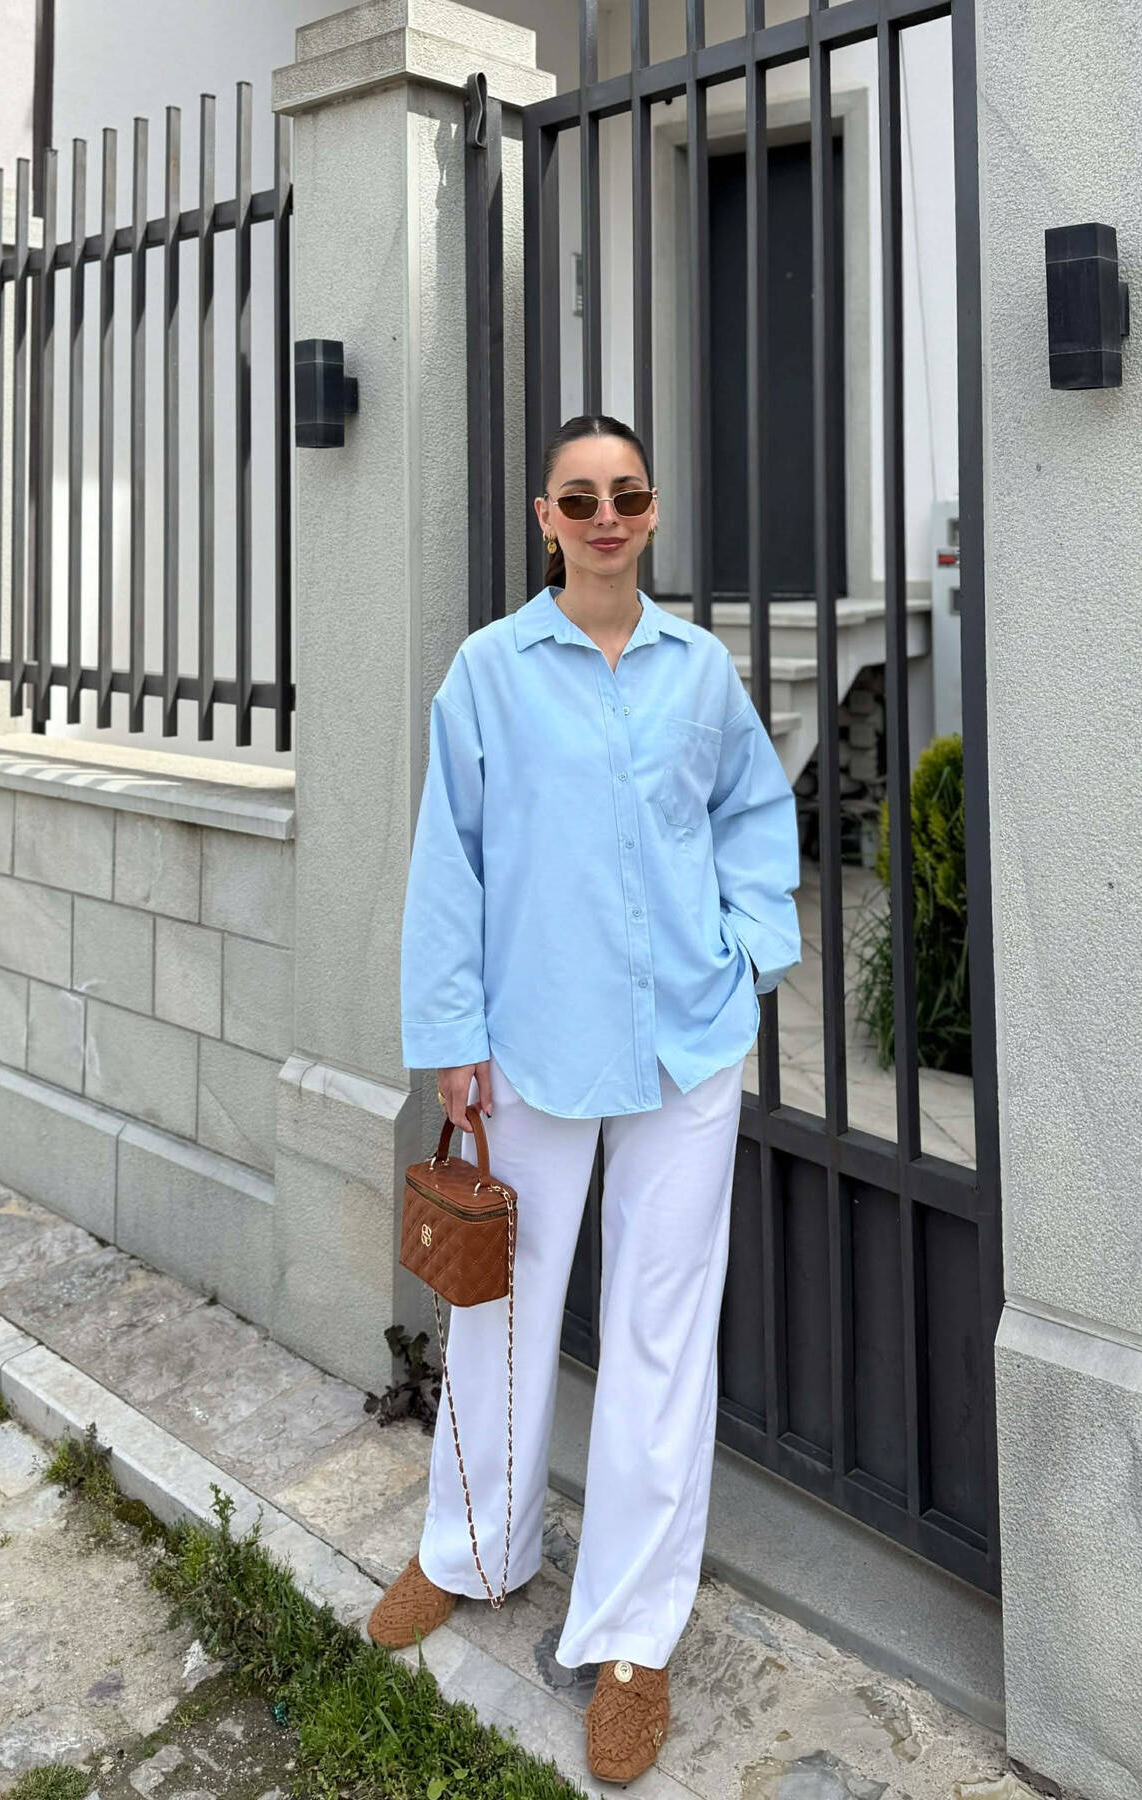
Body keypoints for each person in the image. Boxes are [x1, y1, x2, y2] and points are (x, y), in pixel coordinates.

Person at [367, 413, 802, 1784]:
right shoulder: (488, 675)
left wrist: (752, 947)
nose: (606, 515)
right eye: (580, 497)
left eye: (627, 493)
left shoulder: (699, 671)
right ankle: (470, 1552)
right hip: (532, 1044)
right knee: (503, 1305)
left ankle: (629, 1635)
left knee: (661, 1329)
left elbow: (753, 814)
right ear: (546, 519)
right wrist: (451, 1035)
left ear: (651, 511)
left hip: (687, 1041)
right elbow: (450, 858)